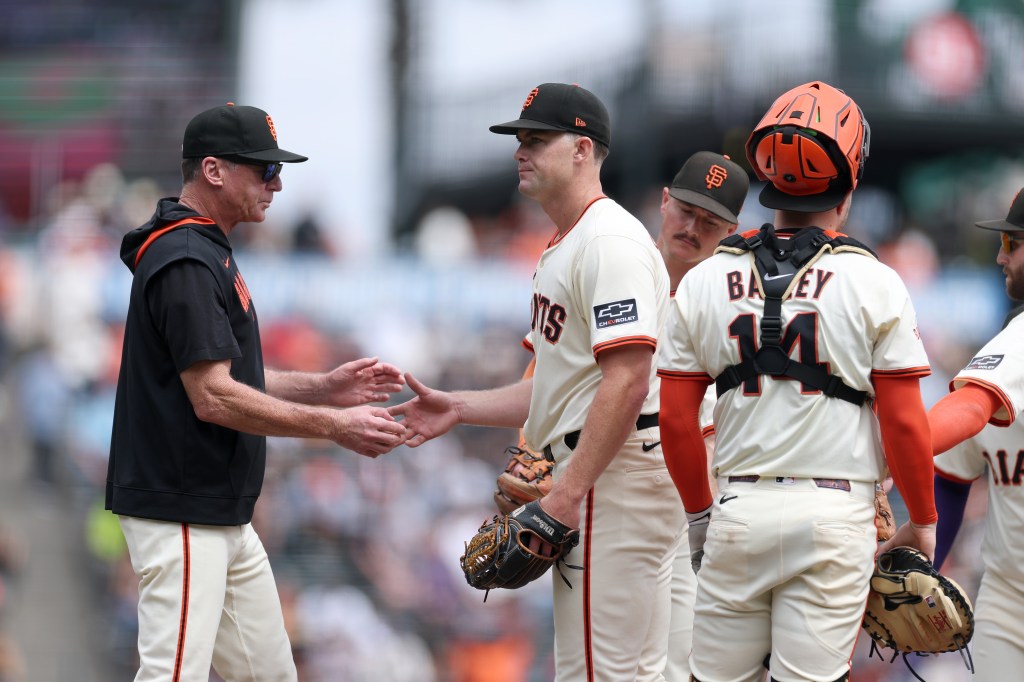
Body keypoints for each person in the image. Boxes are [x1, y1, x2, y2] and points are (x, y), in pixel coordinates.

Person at [105, 103, 407, 681]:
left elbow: (224, 376)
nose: (277, 183)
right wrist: (333, 428)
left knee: (269, 675)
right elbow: (213, 397)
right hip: (182, 507)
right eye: (263, 170)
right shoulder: (186, 257)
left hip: (217, 513)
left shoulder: (203, 249)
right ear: (214, 170)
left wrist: (324, 388)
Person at [390, 82, 680, 681]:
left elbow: (627, 383)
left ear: (582, 149)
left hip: (613, 473)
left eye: (537, 139)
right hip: (603, 471)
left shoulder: (610, 242)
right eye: (520, 140)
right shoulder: (567, 244)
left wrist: (568, 494)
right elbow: (560, 386)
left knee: (603, 672)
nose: (521, 151)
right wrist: (460, 407)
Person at [657, 81, 937, 682]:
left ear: (767, 177)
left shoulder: (705, 279)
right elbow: (906, 421)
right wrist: (926, 522)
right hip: (834, 516)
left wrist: (702, 518)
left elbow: (678, 422)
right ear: (851, 182)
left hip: (736, 507)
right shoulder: (875, 281)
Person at [654, 151, 748, 681]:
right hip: (619, 493)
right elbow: (545, 377)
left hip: (704, 509)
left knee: (688, 666)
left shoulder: (737, 304)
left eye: (709, 222)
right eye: (686, 210)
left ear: (732, 230)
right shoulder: (615, 273)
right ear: (664, 201)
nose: (691, 228)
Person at [929, 188, 1024, 681]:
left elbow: (967, 409)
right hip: (1009, 599)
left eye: (1013, 240)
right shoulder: (1005, 343)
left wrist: (881, 450)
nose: (1000, 255)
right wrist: (925, 570)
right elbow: (952, 476)